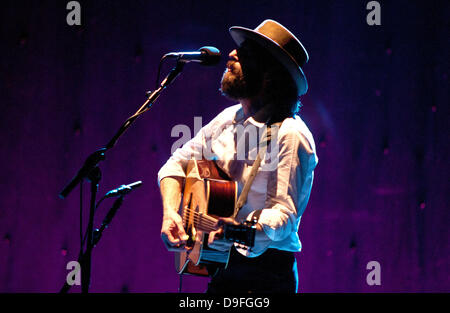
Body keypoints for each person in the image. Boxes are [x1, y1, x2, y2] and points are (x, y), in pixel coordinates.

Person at [158, 19, 318, 293]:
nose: (231, 54)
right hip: (222, 270)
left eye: (245, 54)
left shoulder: (290, 133)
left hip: (265, 277)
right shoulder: (229, 119)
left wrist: (237, 229)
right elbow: (175, 165)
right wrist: (171, 212)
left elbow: (284, 215)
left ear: (269, 74)